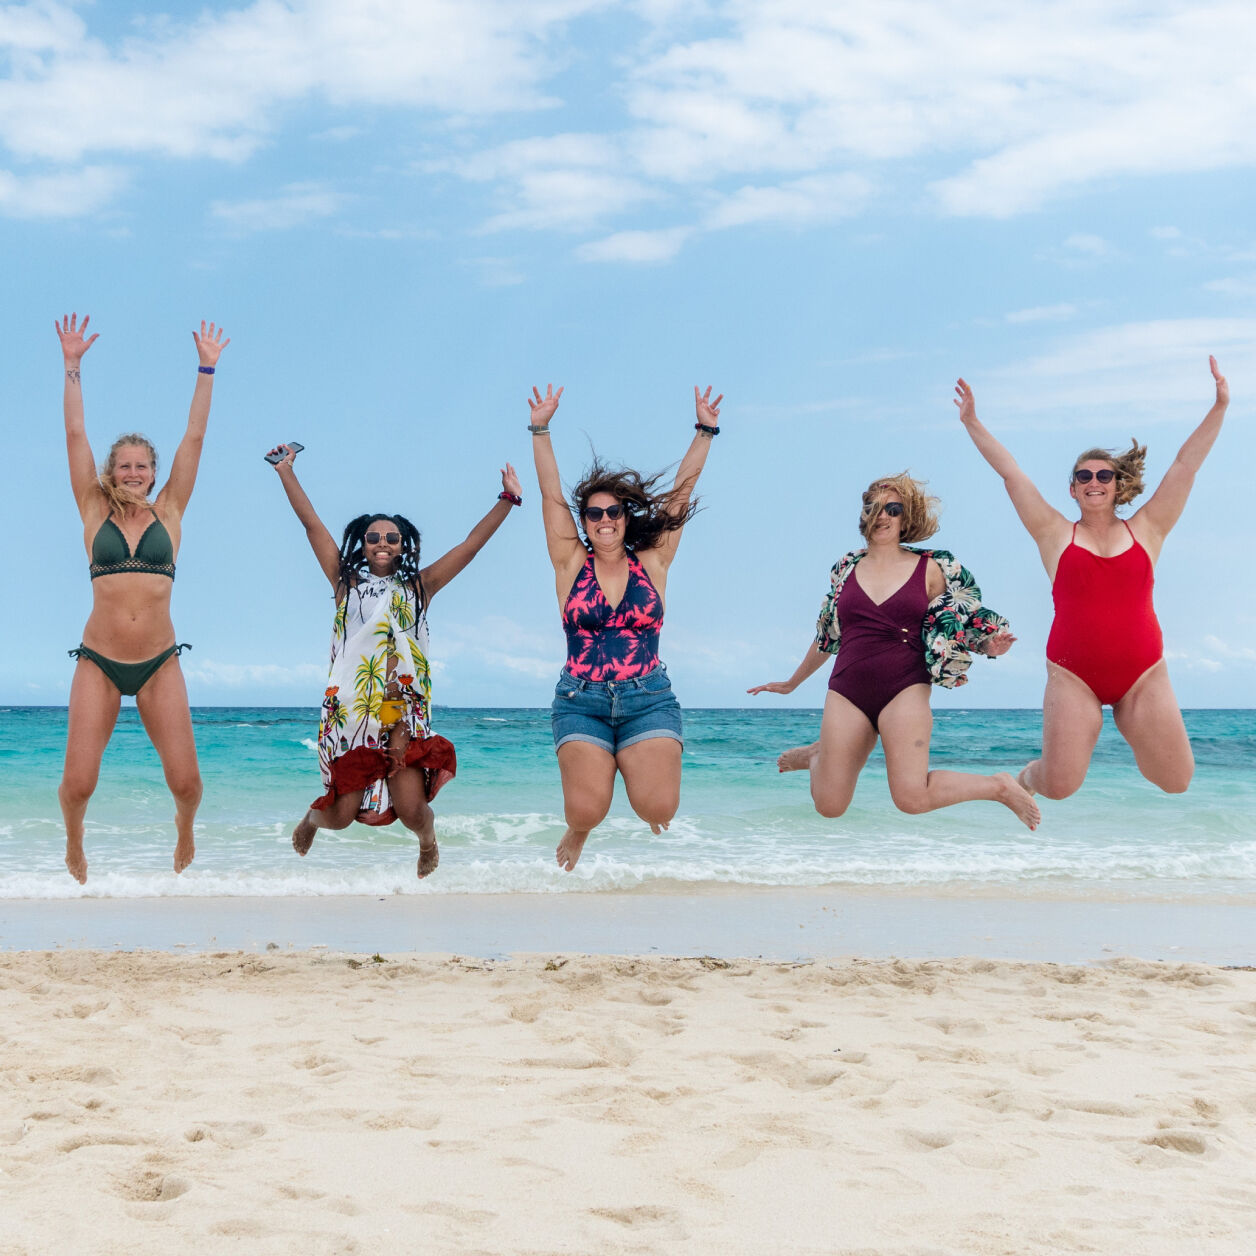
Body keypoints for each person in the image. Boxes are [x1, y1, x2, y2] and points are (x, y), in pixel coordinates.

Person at [953, 359, 1229, 798]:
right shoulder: (1055, 533)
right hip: (1072, 674)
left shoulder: (1148, 529)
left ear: (1118, 485)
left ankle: (1130, 730)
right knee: (1059, 786)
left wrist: (1220, 405)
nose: (1094, 481)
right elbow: (1011, 474)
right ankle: (1021, 778)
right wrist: (972, 421)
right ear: (1073, 488)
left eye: (1104, 475)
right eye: (1084, 476)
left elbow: (1184, 466)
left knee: (1176, 780)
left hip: (1143, 674)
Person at [268, 443, 523, 878]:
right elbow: (312, 525)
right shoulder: (345, 582)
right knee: (342, 813)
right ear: (361, 545)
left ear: (403, 546)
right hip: (352, 713)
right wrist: (284, 470)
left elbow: (470, 546)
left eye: (391, 538)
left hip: (403, 711)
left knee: (410, 809)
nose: (382, 544)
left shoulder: (420, 588)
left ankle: (428, 840)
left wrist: (508, 500)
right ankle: (312, 820)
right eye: (373, 538)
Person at [749, 474, 1040, 830]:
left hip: (905, 688)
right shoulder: (845, 568)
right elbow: (828, 634)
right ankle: (818, 754)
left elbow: (966, 619)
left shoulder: (934, 567)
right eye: (873, 507)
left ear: (906, 518)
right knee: (829, 806)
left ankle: (998, 786)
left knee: (911, 798)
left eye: (893, 509)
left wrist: (988, 643)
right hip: (847, 688)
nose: (882, 515)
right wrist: (792, 683)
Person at [57, 313, 229, 883]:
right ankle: (75, 843)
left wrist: (207, 367)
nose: (133, 471)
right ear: (112, 471)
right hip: (99, 661)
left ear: (154, 472)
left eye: (142, 465)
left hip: (159, 662)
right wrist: (73, 366)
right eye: (124, 465)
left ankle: (184, 828)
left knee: (188, 783)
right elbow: (75, 436)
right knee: (79, 783)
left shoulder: (171, 510)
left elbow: (195, 437)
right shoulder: (92, 508)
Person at [528, 383, 722, 871]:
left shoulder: (653, 562)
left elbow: (680, 497)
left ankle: (632, 768)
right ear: (586, 523)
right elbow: (551, 497)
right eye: (594, 514)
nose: (604, 520)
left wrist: (705, 431)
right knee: (586, 810)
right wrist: (540, 429)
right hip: (581, 699)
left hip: (647, 696)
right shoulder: (570, 563)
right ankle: (582, 823)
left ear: (625, 516)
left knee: (658, 809)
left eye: (613, 511)